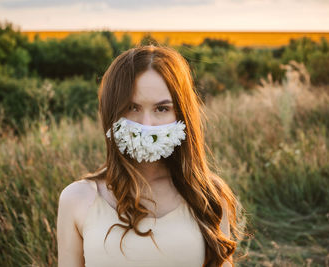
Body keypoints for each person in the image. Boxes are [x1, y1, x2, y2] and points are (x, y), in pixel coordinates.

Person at [57, 44, 243, 267]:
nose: (146, 125)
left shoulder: (209, 196)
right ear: (111, 112)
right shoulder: (77, 198)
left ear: (182, 114)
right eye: (132, 107)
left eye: (162, 109)